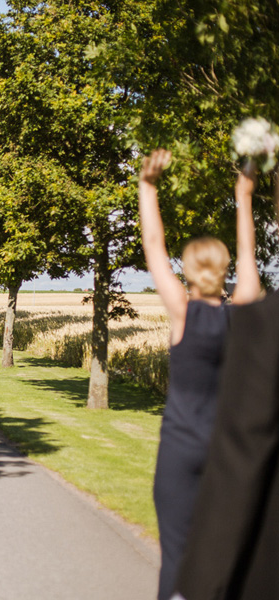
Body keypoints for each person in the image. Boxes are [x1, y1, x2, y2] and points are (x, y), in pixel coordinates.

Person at [138, 149, 261, 600]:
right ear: (225, 271)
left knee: (177, 556)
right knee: (226, 557)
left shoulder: (182, 315)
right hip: (228, 456)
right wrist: (243, 193)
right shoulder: (244, 310)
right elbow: (249, 254)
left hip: (181, 450)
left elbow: (154, 245)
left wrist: (148, 186)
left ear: (187, 272)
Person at [173, 171, 279, 600]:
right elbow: (250, 263)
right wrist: (244, 201)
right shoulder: (247, 313)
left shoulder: (264, 325)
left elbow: (244, 461)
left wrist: (196, 588)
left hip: (187, 442)